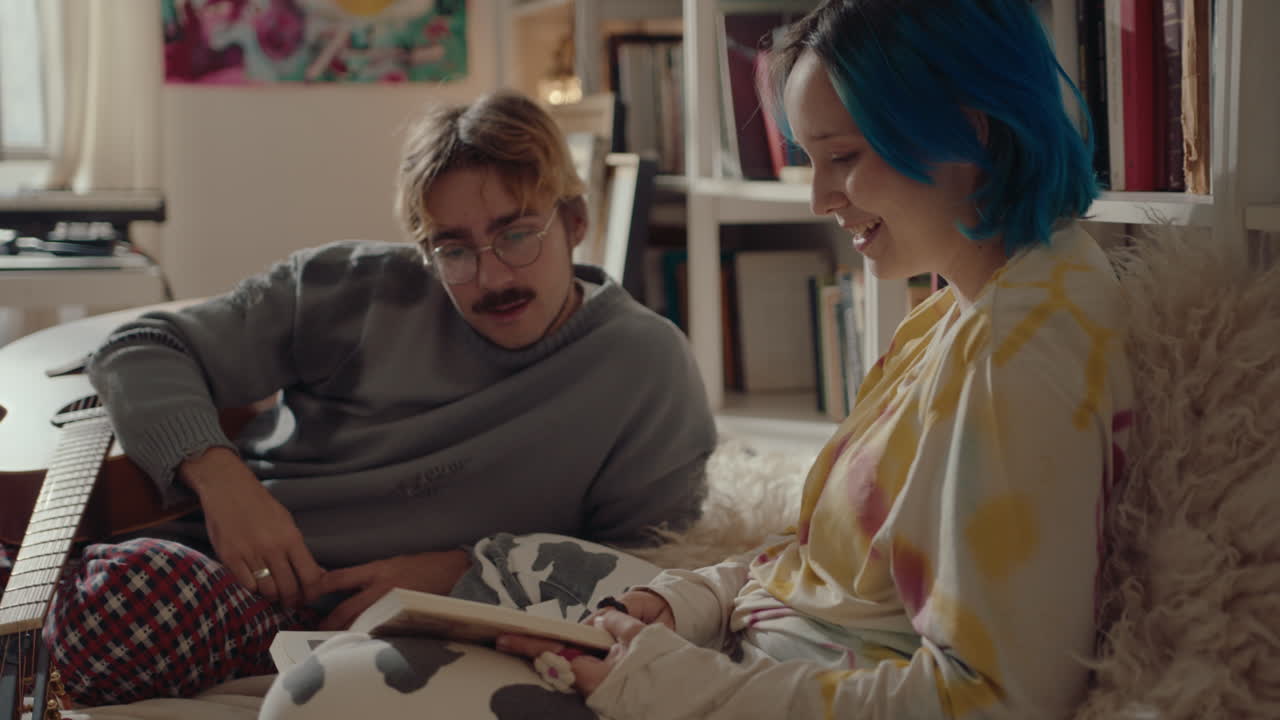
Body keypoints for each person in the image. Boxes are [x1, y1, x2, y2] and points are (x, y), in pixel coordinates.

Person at [260, 0, 1134, 718]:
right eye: (811, 161)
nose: (821, 196)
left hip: (729, 685)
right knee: (468, 592)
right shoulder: (962, 312)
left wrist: (662, 682)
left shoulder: (1024, 354)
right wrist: (680, 602)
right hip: (728, 651)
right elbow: (811, 566)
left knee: (312, 696)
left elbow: (993, 702)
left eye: (844, 158)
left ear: (967, 134)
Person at [0, 90, 716, 707]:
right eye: (453, 250)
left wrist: (467, 567)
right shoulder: (349, 288)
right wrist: (223, 481)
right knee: (116, 588)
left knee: (122, 608)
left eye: (517, 234)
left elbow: (650, 571)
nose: (491, 276)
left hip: (380, 629)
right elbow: (139, 346)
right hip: (212, 565)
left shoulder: (644, 368)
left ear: (575, 221)